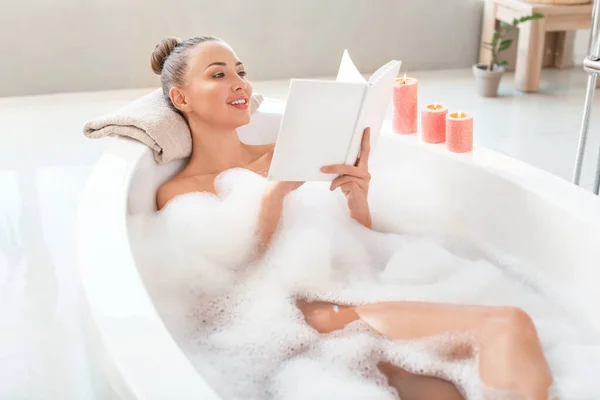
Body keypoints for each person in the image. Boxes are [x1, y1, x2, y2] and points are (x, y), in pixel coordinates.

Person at [151, 35, 553, 399]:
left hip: (349, 294)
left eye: (241, 72)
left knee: (443, 392)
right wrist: (277, 190)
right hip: (287, 321)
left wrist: (356, 197)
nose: (239, 83)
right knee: (505, 325)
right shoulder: (179, 191)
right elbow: (228, 269)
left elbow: (358, 240)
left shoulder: (286, 148)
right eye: (218, 74)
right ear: (182, 99)